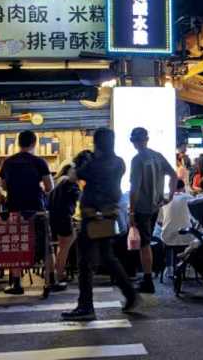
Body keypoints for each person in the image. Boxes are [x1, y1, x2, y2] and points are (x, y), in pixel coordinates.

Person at [63, 128, 138, 320]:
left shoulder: (93, 165)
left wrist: (76, 163)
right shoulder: (119, 163)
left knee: (85, 262)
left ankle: (86, 307)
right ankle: (130, 293)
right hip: (109, 214)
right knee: (107, 257)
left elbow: (73, 176)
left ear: (97, 143)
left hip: (91, 216)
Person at [0, 130, 54, 295]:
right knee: (45, 244)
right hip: (36, 208)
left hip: (14, 207)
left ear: (18, 143)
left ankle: (16, 284)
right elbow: (50, 187)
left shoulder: (8, 162)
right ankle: (50, 281)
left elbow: (3, 186)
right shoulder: (39, 162)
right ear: (34, 143)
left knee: (16, 244)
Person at [129, 127, 176, 294]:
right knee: (146, 242)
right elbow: (173, 174)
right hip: (155, 206)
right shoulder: (158, 156)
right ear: (147, 139)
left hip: (142, 207)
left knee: (145, 244)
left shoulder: (137, 160)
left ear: (133, 142)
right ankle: (147, 278)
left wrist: (131, 212)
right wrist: (169, 196)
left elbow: (134, 189)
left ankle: (148, 280)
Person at [48, 154, 85, 292]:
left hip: (53, 218)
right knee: (65, 248)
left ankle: (58, 274)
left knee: (60, 248)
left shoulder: (57, 181)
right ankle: (59, 275)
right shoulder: (69, 183)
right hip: (64, 218)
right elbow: (80, 198)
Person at [158, 179, 194, 248]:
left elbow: (159, 222)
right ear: (183, 188)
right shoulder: (189, 197)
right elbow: (195, 219)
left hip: (167, 238)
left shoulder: (164, 198)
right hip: (187, 237)